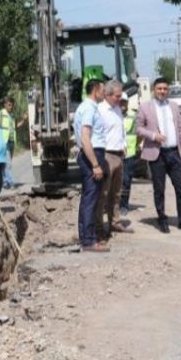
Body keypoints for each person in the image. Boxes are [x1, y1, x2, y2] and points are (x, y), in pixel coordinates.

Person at [136, 77, 181, 233]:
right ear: (153, 90)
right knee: (159, 188)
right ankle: (162, 218)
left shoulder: (174, 106)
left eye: (165, 89)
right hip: (157, 154)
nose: (162, 91)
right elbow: (138, 128)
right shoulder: (145, 107)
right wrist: (153, 135)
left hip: (173, 153)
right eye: (159, 89)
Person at [73, 78, 110, 252]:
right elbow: (85, 137)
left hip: (92, 154)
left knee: (89, 198)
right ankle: (88, 240)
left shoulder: (87, 107)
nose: (104, 93)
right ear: (95, 89)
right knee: (90, 199)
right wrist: (95, 164)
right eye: (102, 90)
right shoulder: (88, 108)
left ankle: (86, 237)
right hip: (92, 154)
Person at [96, 80, 133, 237]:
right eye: (117, 96)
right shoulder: (100, 111)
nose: (120, 98)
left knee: (116, 193)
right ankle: (98, 228)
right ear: (108, 95)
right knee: (103, 193)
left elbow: (121, 130)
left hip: (118, 155)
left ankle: (115, 223)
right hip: (106, 155)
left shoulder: (117, 109)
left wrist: (124, 145)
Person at [0, 96, 26, 189]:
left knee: (6, 163)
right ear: (5, 105)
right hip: (3, 141)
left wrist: (24, 120)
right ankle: (10, 182)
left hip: (11, 141)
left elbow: (15, 127)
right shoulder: (0, 114)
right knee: (8, 163)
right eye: (9, 105)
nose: (11, 107)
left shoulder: (12, 116)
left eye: (12, 105)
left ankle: (5, 182)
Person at [120, 93, 139, 216]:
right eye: (120, 101)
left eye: (124, 102)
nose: (122, 104)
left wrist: (135, 146)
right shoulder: (112, 114)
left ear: (127, 103)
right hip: (115, 153)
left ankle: (124, 205)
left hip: (129, 154)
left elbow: (139, 134)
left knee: (126, 181)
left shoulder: (133, 115)